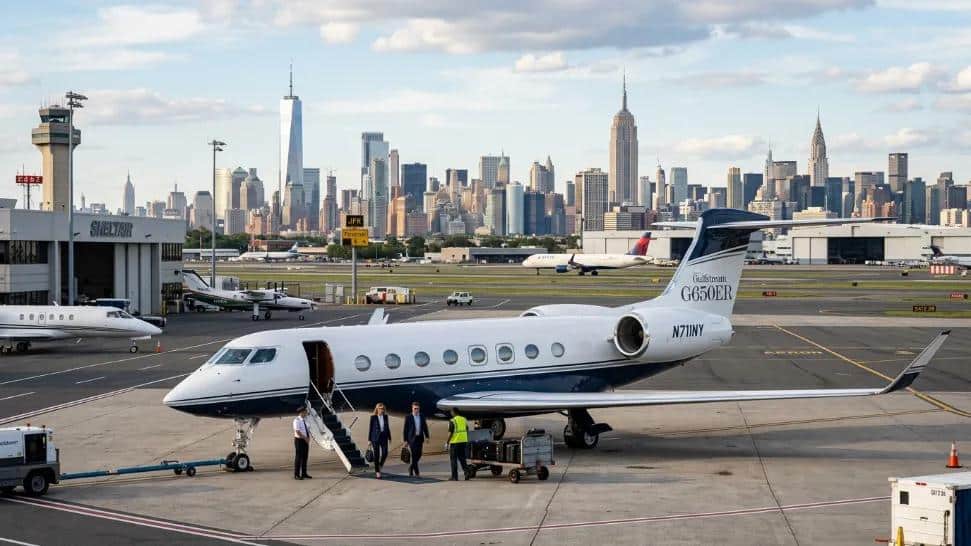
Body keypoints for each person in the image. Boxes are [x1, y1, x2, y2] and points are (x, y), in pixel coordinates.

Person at [402, 401, 430, 477]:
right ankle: (417, 473)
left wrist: (427, 436)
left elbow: (425, 427)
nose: (416, 410)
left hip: (420, 438)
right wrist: (405, 440)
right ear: (412, 408)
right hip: (411, 439)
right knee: (414, 455)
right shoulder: (408, 417)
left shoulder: (422, 416)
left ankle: (411, 468)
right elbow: (405, 429)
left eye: (417, 408)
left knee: (419, 454)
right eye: (415, 408)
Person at [368, 402, 391, 478]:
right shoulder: (373, 417)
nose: (382, 410)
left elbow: (387, 427)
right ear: (377, 409)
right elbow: (370, 429)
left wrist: (389, 437)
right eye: (380, 409)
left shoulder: (385, 417)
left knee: (385, 453)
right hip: (375, 438)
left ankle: (380, 465)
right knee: (376, 455)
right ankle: (377, 471)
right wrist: (369, 440)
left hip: (384, 437)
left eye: (383, 409)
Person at [447, 407, 470, 481]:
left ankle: (454, 476)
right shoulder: (464, 419)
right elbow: (467, 429)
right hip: (463, 441)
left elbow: (450, 433)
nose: (451, 413)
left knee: (453, 459)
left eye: (451, 412)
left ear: (454, 412)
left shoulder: (452, 420)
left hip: (455, 442)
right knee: (462, 458)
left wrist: (447, 442)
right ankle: (467, 473)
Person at [292, 406, 312, 480]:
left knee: (305, 457)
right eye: (305, 412)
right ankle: (296, 475)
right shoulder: (296, 420)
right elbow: (297, 431)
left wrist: (308, 437)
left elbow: (307, 429)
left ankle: (304, 473)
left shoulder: (305, 420)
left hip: (305, 440)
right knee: (298, 458)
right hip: (299, 440)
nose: (306, 413)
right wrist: (305, 438)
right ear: (301, 412)